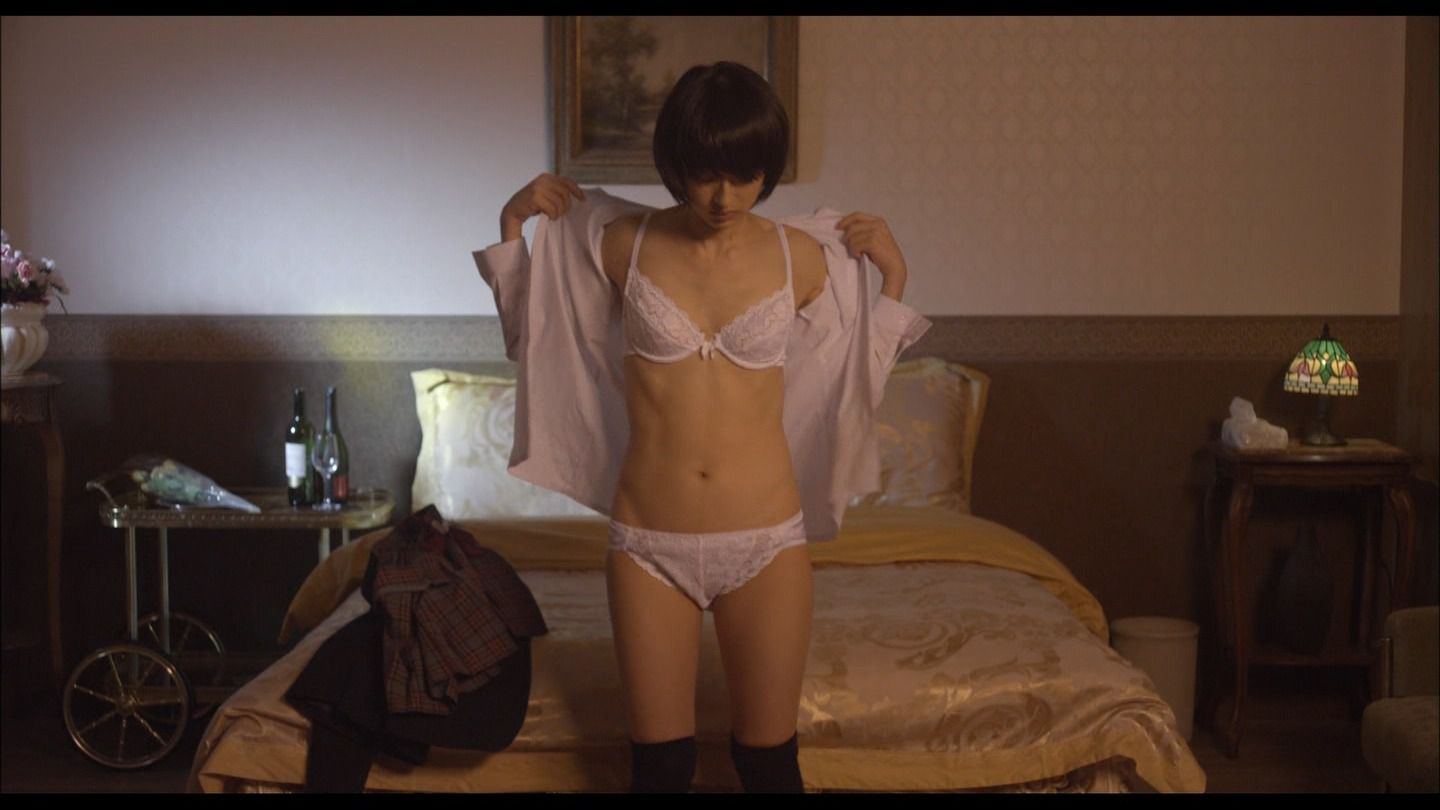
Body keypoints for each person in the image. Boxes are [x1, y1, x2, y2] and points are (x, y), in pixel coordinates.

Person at [485, 62, 921, 793]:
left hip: (766, 541)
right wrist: (510, 226)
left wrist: (895, 281)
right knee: (660, 771)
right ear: (675, 163)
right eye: (705, 174)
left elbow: (849, 387)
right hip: (648, 542)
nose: (724, 197)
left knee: (769, 766)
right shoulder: (619, 242)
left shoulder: (803, 257)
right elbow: (541, 342)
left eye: (745, 176)